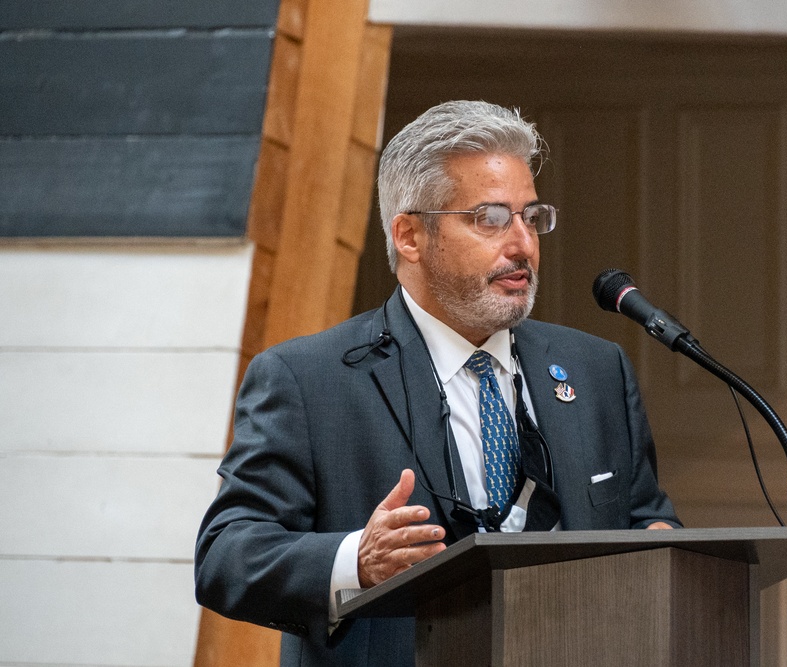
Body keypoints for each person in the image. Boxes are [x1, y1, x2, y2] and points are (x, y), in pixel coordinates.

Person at [194, 100, 681, 666]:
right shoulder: (307, 379)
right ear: (409, 236)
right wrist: (357, 559)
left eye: (531, 216)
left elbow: (645, 518)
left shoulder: (597, 369)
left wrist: (663, 542)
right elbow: (226, 555)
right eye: (491, 219)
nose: (523, 244)